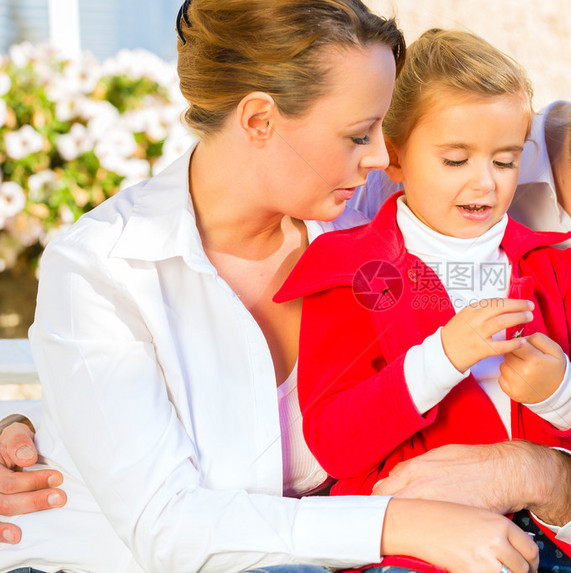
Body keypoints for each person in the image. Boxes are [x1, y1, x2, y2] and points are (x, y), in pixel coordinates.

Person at [2, 0, 571, 571]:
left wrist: (539, 472)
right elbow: (152, 411)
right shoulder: (367, 207)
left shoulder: (358, 205)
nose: (382, 155)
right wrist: (401, 523)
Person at [0, 1, 540, 572]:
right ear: (259, 120)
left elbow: (503, 134)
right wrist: (401, 524)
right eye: (360, 134)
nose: (383, 156)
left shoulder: (373, 225)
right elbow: (171, 531)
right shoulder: (104, 267)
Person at [277, 28, 571, 573]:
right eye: (455, 160)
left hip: (554, 547)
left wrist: (562, 392)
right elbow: (334, 444)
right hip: (416, 551)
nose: (485, 184)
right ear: (394, 157)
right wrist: (442, 357)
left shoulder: (563, 270)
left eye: (504, 160)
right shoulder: (349, 271)